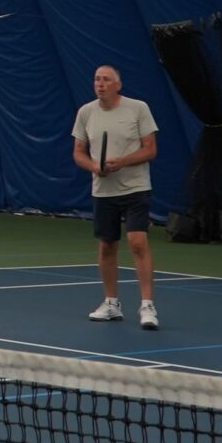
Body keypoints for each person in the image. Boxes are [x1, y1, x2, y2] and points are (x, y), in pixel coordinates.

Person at [73, 64, 159, 328]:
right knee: (107, 245)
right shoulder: (86, 112)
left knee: (137, 241)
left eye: (106, 80)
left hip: (135, 188)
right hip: (103, 191)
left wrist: (122, 162)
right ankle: (111, 303)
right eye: (97, 79)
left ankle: (147, 306)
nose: (100, 84)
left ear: (118, 85)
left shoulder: (138, 108)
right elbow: (78, 152)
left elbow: (150, 150)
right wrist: (94, 166)